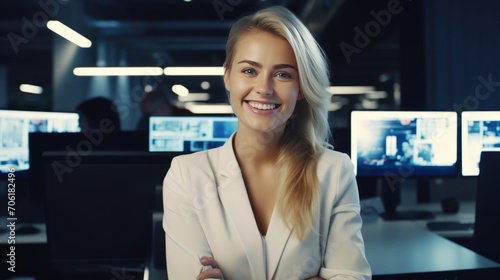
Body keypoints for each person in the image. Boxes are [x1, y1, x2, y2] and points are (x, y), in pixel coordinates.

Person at [163, 6, 371, 280]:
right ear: (228, 77)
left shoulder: (334, 170)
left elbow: (352, 276)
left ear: (301, 89)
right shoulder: (185, 174)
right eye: (249, 70)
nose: (264, 88)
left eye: (283, 74)